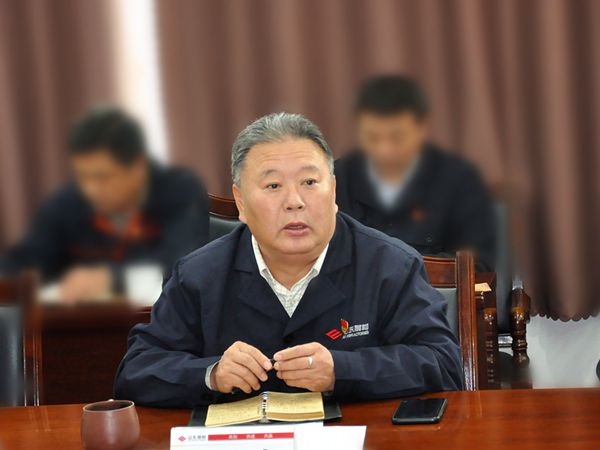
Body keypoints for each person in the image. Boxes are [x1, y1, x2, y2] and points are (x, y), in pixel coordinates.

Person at [114, 112, 462, 408]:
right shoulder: (198, 275)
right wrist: (210, 374)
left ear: (333, 191)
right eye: (273, 186)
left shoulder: (390, 265)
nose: (295, 201)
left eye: (309, 182)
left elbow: (443, 364)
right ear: (241, 201)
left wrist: (342, 370)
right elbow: (137, 371)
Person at [0, 107, 209, 302]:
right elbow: (26, 260)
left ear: (139, 167)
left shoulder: (180, 191)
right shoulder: (68, 201)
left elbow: (183, 267)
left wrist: (111, 279)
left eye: (103, 177)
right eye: (82, 176)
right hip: (77, 323)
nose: (91, 189)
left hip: (159, 320)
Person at [335, 75, 496, 271]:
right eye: (372, 137)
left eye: (397, 137)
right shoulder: (336, 179)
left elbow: (480, 261)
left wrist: (399, 270)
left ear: (421, 129)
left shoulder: (458, 180)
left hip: (432, 290)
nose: (384, 150)